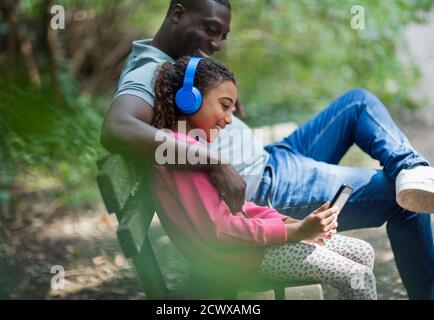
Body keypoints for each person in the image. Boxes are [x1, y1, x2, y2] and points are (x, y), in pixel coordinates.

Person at [100, 0, 434, 299]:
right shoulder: (147, 71)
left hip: (272, 161)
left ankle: (412, 166)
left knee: (358, 104)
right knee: (404, 200)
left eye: (221, 37)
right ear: (177, 13)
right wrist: (216, 162)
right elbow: (117, 128)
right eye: (210, 30)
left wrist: (212, 90)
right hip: (263, 186)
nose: (215, 44)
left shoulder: (177, 68)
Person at [150, 56, 377, 299]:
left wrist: (290, 222)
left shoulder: (191, 147)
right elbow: (221, 230)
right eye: (225, 106)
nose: (228, 120)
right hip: (238, 261)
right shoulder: (181, 156)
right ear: (189, 99)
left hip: (249, 249)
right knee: (358, 278)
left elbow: (241, 209)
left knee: (363, 252)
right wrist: (296, 232)